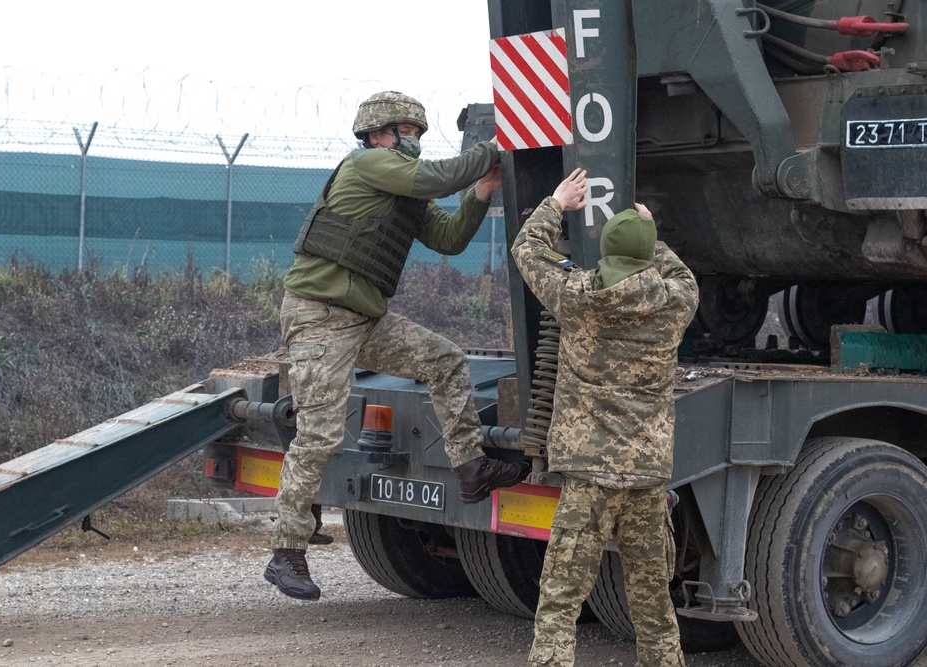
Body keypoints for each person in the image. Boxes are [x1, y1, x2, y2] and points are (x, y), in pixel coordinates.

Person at [264, 91, 530, 601]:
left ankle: (471, 469)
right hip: (320, 314)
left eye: (416, 133)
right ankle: (285, 552)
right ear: (377, 134)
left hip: (363, 316)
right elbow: (433, 177)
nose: (412, 141)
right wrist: (495, 148)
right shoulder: (367, 165)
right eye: (404, 132)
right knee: (319, 434)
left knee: (445, 360)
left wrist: (481, 193)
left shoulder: (404, 189)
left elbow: (449, 239)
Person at [511, 168, 698, 667]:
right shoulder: (676, 303)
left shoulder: (576, 296)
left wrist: (555, 203)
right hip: (645, 479)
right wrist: (651, 234)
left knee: (560, 600)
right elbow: (682, 275)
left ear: (607, 254)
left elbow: (527, 250)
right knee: (654, 606)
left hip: (588, 476)